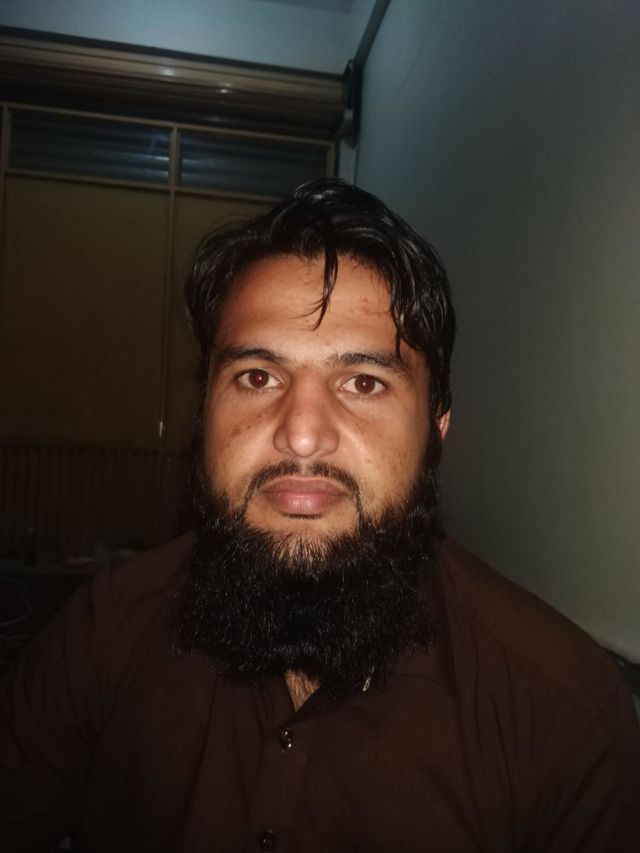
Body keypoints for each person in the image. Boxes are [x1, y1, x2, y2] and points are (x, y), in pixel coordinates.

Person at [1, 178, 638, 852]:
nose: (301, 435)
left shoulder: (564, 713)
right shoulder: (106, 629)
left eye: (363, 382)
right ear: (204, 415)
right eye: (257, 377)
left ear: (436, 429)